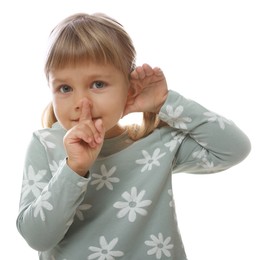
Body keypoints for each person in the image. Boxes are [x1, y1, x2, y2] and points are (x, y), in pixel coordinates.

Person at [16, 12, 251, 260]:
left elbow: (234, 148)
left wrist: (165, 102)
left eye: (98, 84)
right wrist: (74, 169)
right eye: (65, 88)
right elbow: (37, 237)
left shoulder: (156, 143)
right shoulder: (45, 144)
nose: (80, 102)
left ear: (129, 87)